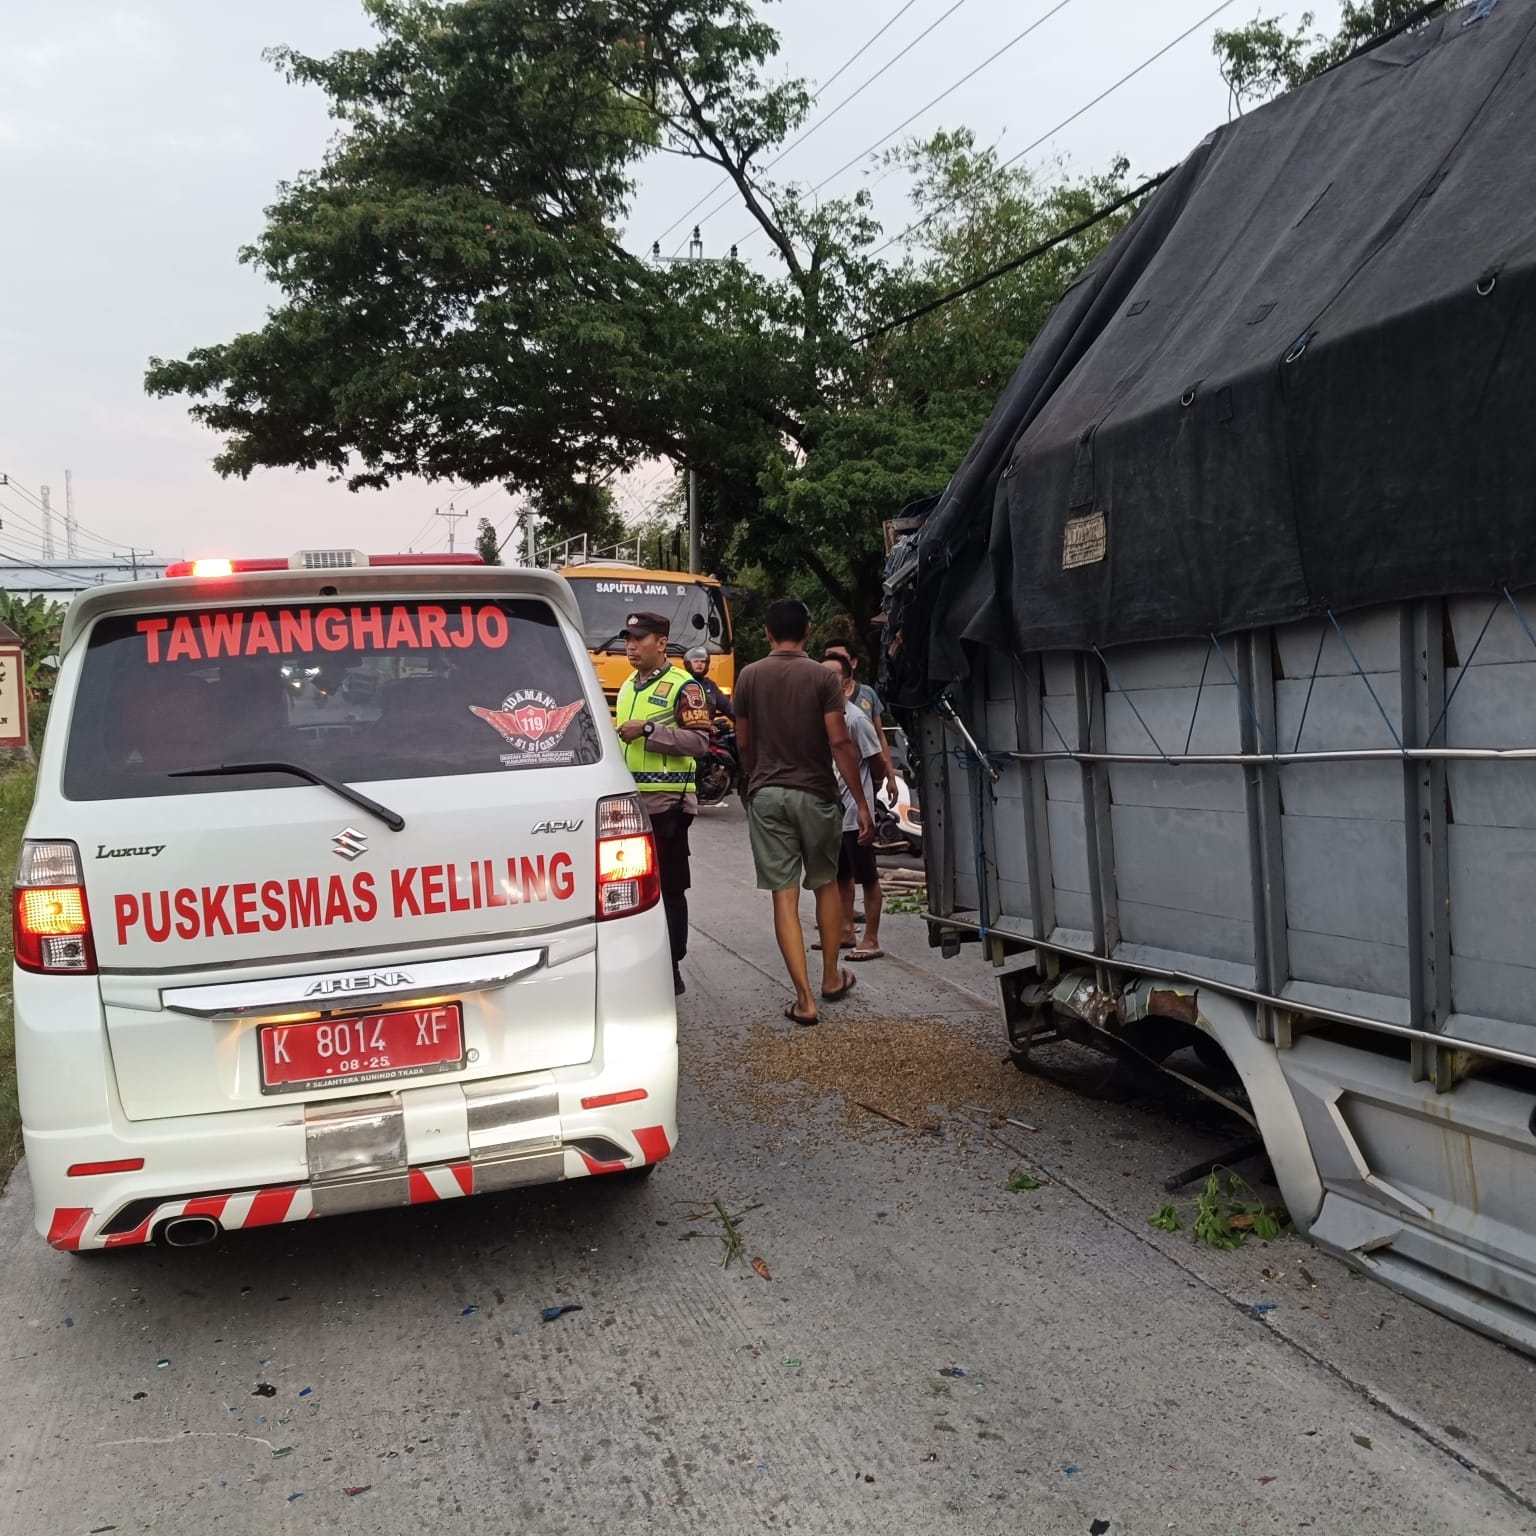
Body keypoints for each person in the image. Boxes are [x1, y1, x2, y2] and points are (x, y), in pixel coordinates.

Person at [734, 598, 873, 1026]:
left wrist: (757, 778)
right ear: (808, 632)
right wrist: (862, 803)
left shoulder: (749, 676)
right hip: (816, 793)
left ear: (768, 633)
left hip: (768, 795)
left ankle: (804, 1000)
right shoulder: (822, 677)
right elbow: (840, 741)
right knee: (826, 883)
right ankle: (832, 976)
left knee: (784, 896)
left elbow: (742, 741)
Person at [616, 611, 713, 996]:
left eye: (640, 639)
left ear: (661, 642)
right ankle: (634, 961)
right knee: (627, 891)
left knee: (669, 889)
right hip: (627, 810)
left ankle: (670, 966)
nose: (631, 646)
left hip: (667, 806)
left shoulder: (684, 687)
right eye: (628, 639)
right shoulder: (626, 686)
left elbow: (701, 743)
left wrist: (651, 730)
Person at [820, 655, 885, 962]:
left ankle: (871, 938)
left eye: (831, 677)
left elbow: (878, 761)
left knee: (867, 876)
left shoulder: (856, 719)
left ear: (846, 683)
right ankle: (846, 931)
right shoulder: (819, 716)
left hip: (855, 811)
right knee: (839, 875)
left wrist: (867, 799)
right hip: (831, 812)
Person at [823, 642, 897, 802]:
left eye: (840, 657)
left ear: (853, 662)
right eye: (829, 656)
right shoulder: (819, 703)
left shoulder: (866, 696)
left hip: (864, 778)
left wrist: (889, 776)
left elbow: (879, 736)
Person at [684, 646, 734, 720]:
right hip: (685, 728)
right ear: (688, 664)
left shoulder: (710, 685)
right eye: (696, 661)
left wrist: (742, 719)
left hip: (707, 728)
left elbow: (727, 707)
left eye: (703, 661)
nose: (700, 664)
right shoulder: (681, 683)